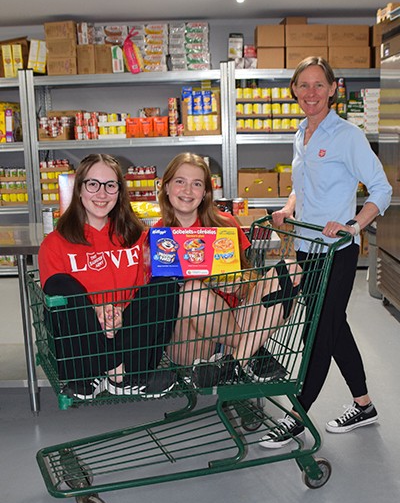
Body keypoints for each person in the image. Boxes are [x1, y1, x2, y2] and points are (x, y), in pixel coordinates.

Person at [259, 57, 392, 448]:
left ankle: (297, 415)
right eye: (303, 86)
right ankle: (364, 405)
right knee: (335, 326)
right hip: (306, 247)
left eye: (319, 85)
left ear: (334, 88)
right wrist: (287, 208)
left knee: (318, 328)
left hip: (337, 249)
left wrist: (353, 225)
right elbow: (305, 186)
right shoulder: (300, 133)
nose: (311, 93)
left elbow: (381, 189)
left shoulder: (347, 136)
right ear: (294, 91)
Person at [38, 154, 179, 400]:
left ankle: (119, 374)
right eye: (93, 184)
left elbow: (143, 299)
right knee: (61, 285)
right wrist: (97, 313)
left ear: (119, 191)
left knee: (165, 284)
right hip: (82, 349)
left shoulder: (138, 237)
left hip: (127, 338)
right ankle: (118, 374)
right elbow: (59, 305)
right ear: (79, 189)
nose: (102, 194)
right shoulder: (55, 243)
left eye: (110, 185)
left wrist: (118, 315)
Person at [156, 152, 302, 386]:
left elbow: (251, 285)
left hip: (233, 321)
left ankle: (233, 362)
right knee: (193, 292)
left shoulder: (224, 224)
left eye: (196, 184)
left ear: (205, 193)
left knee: (291, 271)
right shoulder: (157, 237)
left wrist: (239, 283)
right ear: (166, 187)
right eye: (180, 182)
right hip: (188, 339)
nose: (187, 191)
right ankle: (251, 354)